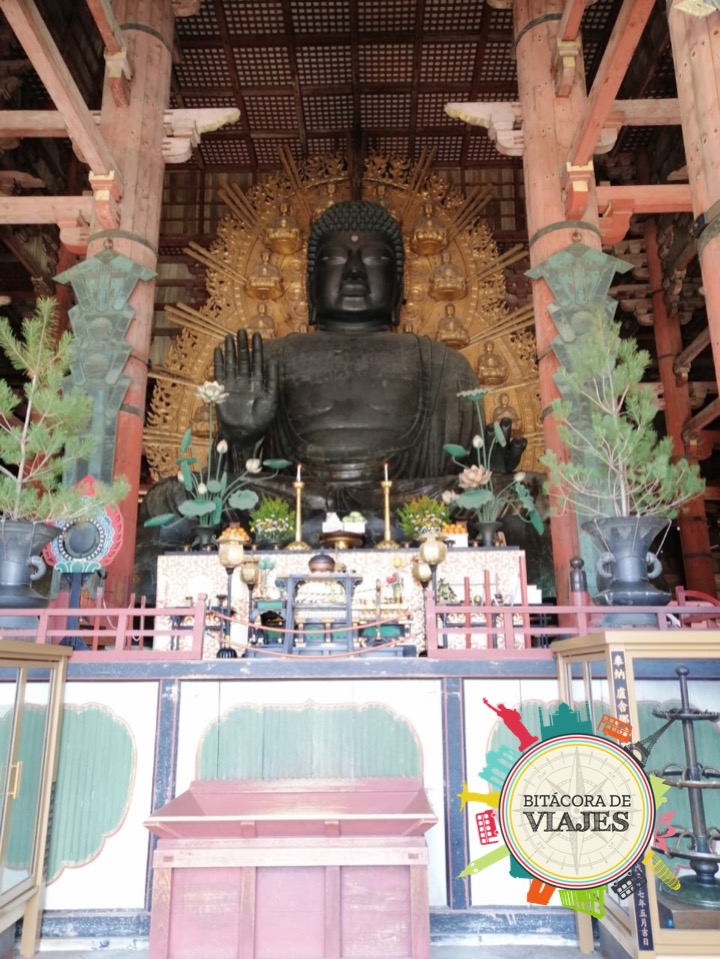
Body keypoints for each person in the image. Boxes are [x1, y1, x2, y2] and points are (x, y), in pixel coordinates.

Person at [211, 200, 484, 516]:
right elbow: (230, 480)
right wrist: (243, 438)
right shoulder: (268, 360)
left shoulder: (445, 367)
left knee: (511, 492)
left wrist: (496, 463)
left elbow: (469, 475)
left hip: (409, 504)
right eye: (335, 259)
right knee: (174, 497)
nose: (355, 271)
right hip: (295, 504)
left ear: (400, 284)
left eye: (375, 259)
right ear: (309, 283)